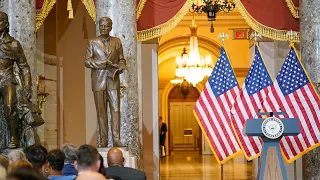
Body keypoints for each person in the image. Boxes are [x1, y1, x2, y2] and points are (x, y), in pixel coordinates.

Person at [84, 16, 126, 147]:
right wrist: (103, 63)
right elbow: (87, 61)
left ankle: (116, 139)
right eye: (101, 26)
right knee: (101, 112)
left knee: (116, 110)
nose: (103, 28)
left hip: (113, 80)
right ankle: (103, 140)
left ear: (110, 27)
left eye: (106, 26)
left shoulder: (117, 42)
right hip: (98, 81)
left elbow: (122, 59)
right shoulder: (92, 42)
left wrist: (121, 67)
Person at [0, 11, 32, 149]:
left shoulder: (13, 44)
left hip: (7, 77)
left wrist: (27, 86)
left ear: (6, 23)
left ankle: (14, 136)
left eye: (1, 21)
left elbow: (24, 67)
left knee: (9, 106)